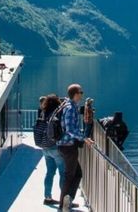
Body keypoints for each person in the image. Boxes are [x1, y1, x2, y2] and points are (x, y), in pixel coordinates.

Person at [58, 83, 94, 211]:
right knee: (70, 175)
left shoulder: (70, 106)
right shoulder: (70, 108)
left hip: (67, 146)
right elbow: (70, 129)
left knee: (77, 174)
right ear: (75, 94)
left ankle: (67, 200)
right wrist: (84, 138)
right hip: (68, 146)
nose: (82, 94)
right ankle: (63, 205)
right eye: (81, 92)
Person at [36, 94, 64, 205]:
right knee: (63, 173)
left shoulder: (43, 113)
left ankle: (47, 198)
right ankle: (64, 200)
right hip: (55, 147)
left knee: (49, 173)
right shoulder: (56, 114)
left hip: (44, 147)